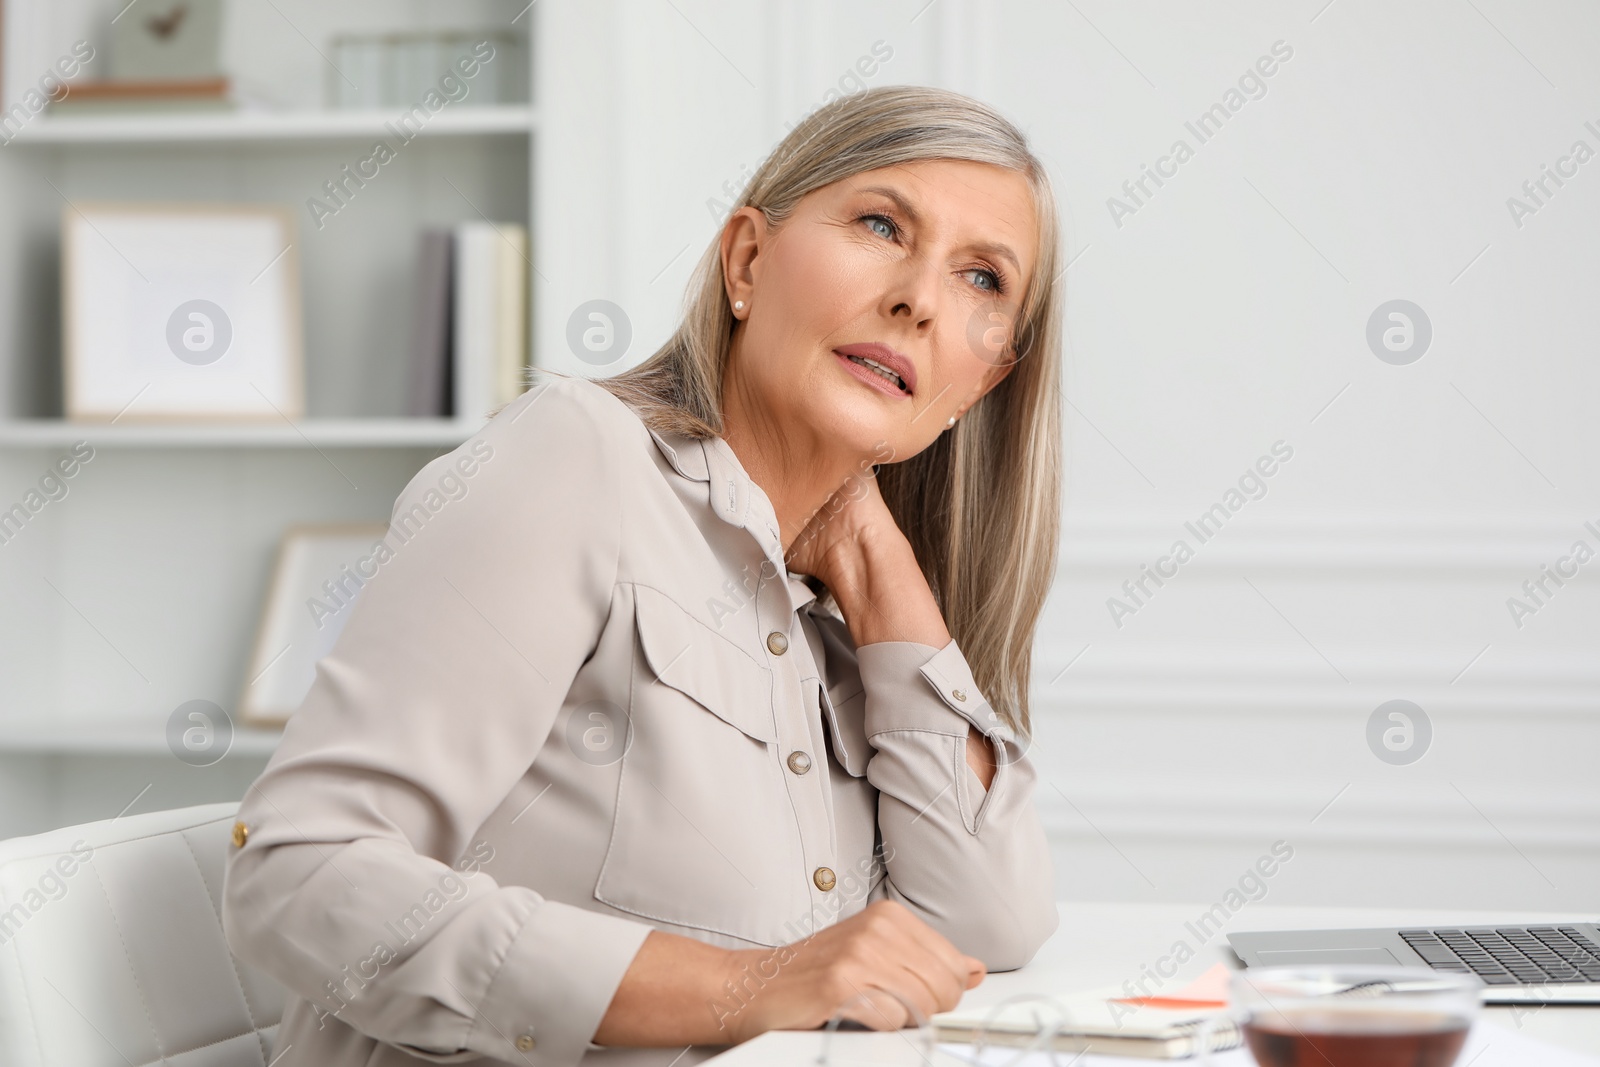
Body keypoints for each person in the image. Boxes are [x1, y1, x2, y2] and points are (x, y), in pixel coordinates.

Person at [223, 83, 1065, 1067]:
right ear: (748, 257)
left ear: (987, 376)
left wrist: (881, 572)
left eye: (981, 279)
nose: (920, 297)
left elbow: (988, 921)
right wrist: (744, 986)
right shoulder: (573, 457)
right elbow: (294, 877)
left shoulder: (850, 603)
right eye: (882, 224)